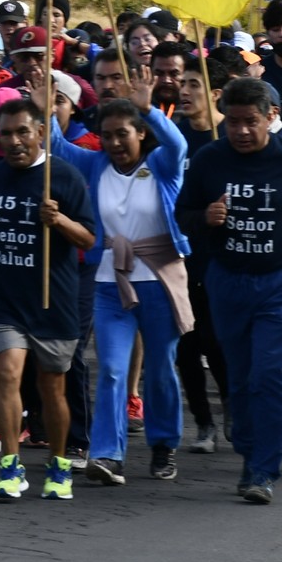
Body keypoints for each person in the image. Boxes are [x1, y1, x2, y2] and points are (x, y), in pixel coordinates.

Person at [174, 77, 282, 504]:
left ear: (271, 118)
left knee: (270, 374)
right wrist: (205, 217)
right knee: (241, 374)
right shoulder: (210, 159)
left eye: (251, 122)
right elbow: (181, 214)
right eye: (233, 122)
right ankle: (250, 443)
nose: (242, 131)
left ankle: (261, 472)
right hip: (228, 280)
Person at [53, 97, 191, 485]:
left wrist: (149, 109)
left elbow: (179, 146)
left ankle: (164, 444)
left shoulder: (161, 165)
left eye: (123, 134)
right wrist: (46, 112)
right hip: (111, 283)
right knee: (112, 370)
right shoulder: (96, 164)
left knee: (162, 367)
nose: (114, 143)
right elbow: (58, 150)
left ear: (141, 134)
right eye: (107, 136)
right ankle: (107, 455)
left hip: (160, 281)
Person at [0, 97, 95, 501]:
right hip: (4, 299)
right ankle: (10, 465)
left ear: (41, 132)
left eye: (22, 131)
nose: (14, 141)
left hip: (52, 300)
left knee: (52, 387)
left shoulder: (64, 177)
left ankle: (59, 465)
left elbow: (90, 239)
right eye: (5, 133)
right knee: (6, 373)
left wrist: (58, 220)